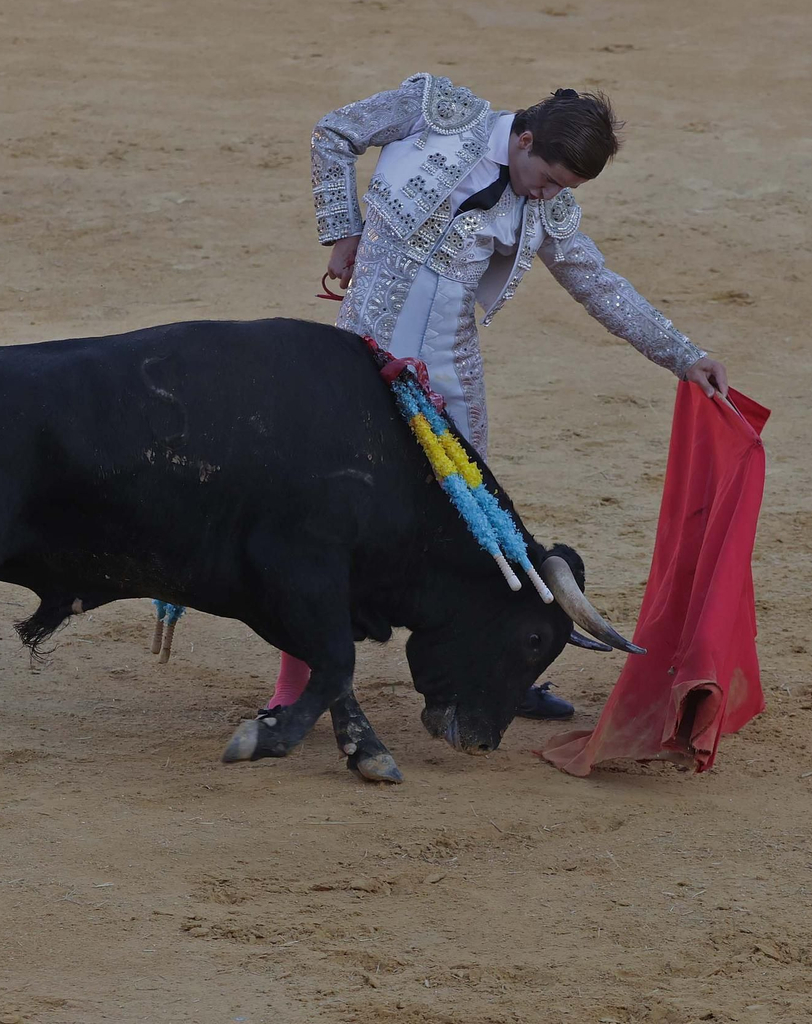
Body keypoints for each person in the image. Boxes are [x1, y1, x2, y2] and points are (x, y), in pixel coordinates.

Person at [263, 73, 730, 722]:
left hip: (451, 377)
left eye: (565, 189)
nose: (549, 195)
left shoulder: (545, 208)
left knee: (477, 532)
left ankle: (503, 669)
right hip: (363, 361)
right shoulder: (436, 110)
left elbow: (601, 286)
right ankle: (294, 688)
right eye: (549, 177)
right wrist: (343, 228)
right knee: (334, 515)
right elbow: (335, 131)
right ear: (525, 137)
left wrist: (685, 355)